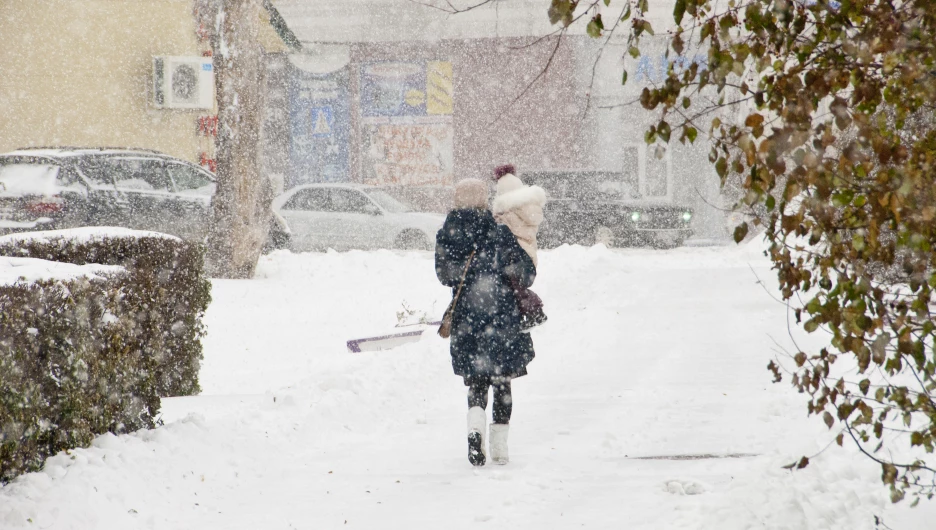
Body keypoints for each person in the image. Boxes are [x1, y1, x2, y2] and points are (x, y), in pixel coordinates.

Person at [435, 178, 537, 466]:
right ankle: (500, 448)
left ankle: (475, 429)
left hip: (468, 318)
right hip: (501, 316)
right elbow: (526, 274)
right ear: (483, 201)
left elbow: (445, 276)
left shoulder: (447, 234)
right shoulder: (498, 231)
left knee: (477, 381)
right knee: (502, 381)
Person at [491, 164, 548, 330]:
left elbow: (504, 232)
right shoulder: (528, 209)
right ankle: (531, 311)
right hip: (527, 253)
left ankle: (531, 311)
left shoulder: (509, 213)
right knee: (517, 288)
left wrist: (498, 218)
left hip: (517, 254)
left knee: (513, 290)